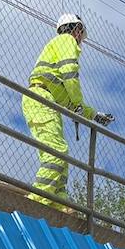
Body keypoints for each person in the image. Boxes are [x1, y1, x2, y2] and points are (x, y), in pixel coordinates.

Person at [22, 13, 112, 209]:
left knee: (60, 155)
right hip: (41, 100)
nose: (81, 40)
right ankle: (35, 202)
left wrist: (94, 115)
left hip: (45, 100)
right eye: (81, 33)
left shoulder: (54, 73)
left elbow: (69, 103)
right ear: (76, 30)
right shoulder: (66, 40)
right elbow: (70, 71)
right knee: (56, 152)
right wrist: (79, 102)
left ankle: (59, 203)